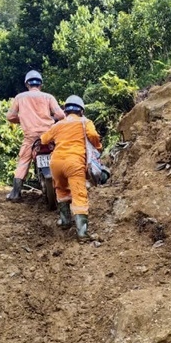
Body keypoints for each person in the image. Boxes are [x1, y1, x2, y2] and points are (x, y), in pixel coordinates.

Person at [40, 95, 101, 241]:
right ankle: (82, 233)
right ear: (81, 110)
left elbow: (43, 139)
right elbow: (92, 135)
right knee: (79, 194)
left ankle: (65, 221)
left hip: (56, 163)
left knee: (61, 190)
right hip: (74, 162)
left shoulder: (58, 125)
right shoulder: (85, 122)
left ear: (65, 110)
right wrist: (98, 146)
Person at [5, 70, 64, 201]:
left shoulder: (20, 97)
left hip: (31, 137)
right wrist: (51, 119)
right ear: (40, 84)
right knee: (62, 155)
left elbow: (10, 116)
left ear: (27, 84)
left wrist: (23, 119)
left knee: (23, 161)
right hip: (49, 135)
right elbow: (61, 115)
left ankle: (15, 193)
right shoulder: (48, 97)